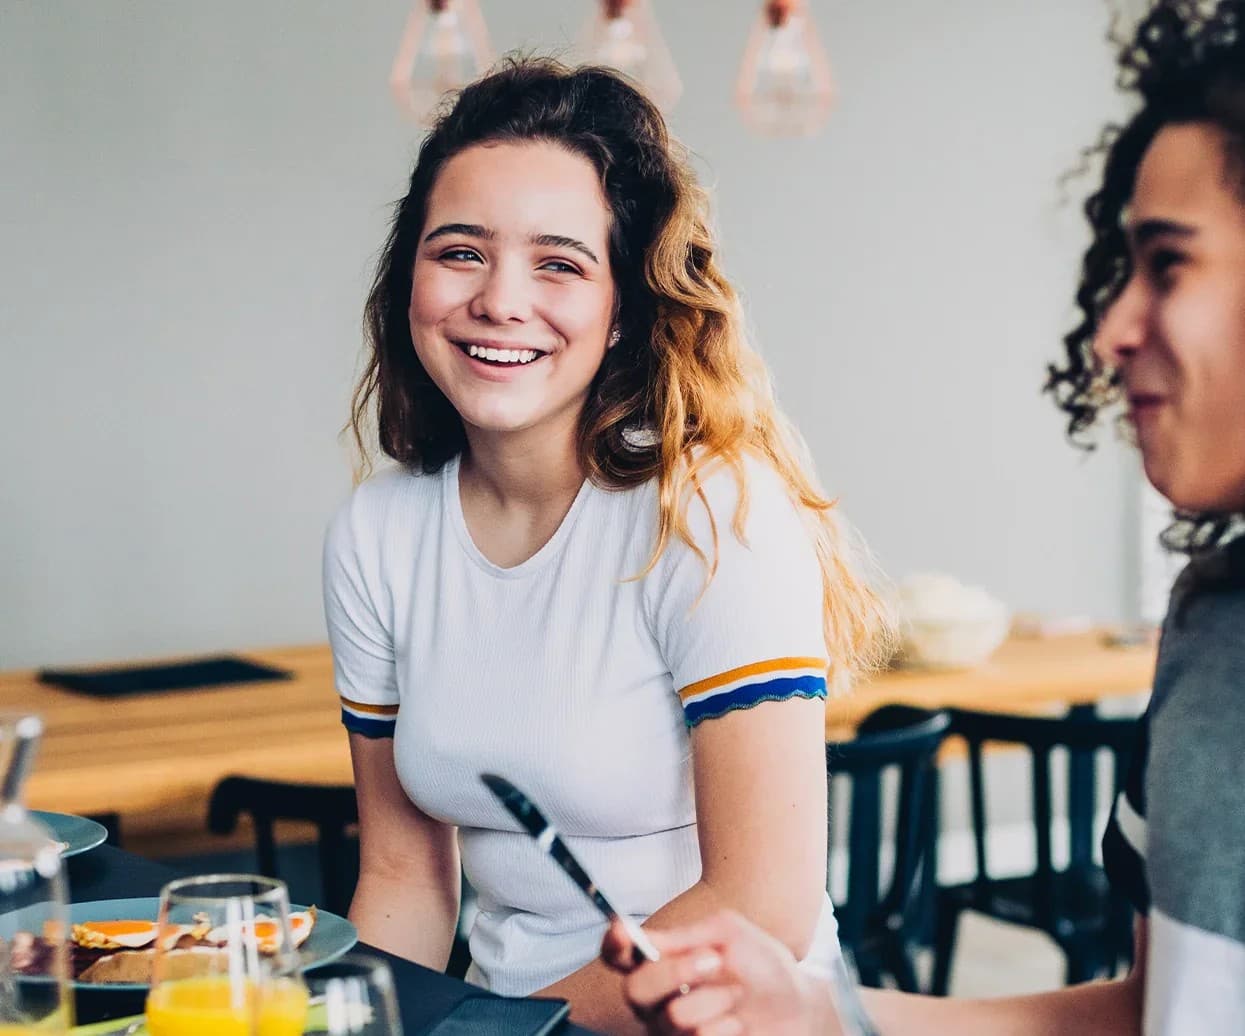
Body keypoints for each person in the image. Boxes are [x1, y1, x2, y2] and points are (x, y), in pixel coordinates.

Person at [603, 1, 1245, 1032]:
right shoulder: (1214, 635)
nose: (1114, 327)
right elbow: (1156, 1014)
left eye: (1168, 264)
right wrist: (821, 1013)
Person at [322, 57, 892, 1033]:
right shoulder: (377, 535)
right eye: (460, 251)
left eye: (559, 262)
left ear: (623, 303)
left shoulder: (712, 514)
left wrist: (491, 1031)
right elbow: (404, 876)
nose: (501, 299)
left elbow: (761, 903)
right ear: (407, 273)